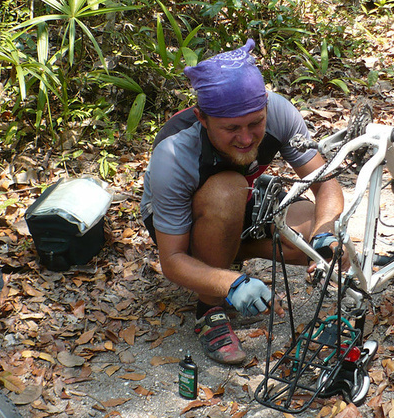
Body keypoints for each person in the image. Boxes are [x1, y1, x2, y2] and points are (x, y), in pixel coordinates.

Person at [140, 39, 344, 365]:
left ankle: (228, 249)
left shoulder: (279, 112)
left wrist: (325, 233)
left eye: (255, 124)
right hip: (185, 222)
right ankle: (210, 310)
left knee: (317, 240)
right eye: (232, 128)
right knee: (228, 189)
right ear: (202, 118)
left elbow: (325, 183)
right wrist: (230, 284)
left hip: (245, 199)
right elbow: (173, 260)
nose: (247, 138)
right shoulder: (173, 154)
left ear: (265, 106)